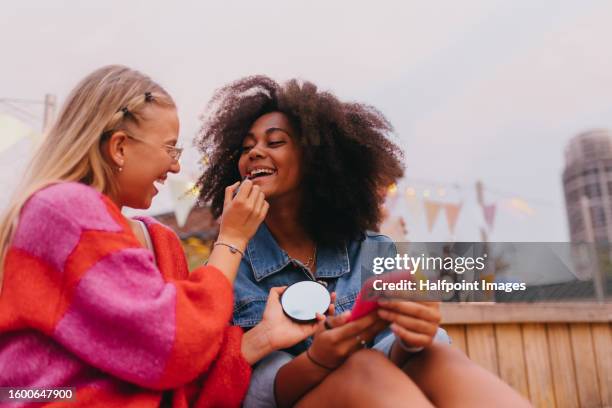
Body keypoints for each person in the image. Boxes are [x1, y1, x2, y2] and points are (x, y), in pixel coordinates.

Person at [196, 76, 531, 407]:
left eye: (274, 142)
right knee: (363, 365)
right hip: (288, 399)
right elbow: (258, 393)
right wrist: (319, 360)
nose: (254, 152)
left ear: (316, 158)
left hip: (380, 388)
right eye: (245, 147)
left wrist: (413, 337)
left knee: (434, 355)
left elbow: (396, 352)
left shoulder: (373, 251)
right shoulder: (230, 264)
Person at [0, 66, 320, 408]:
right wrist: (232, 239)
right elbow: (174, 345)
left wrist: (265, 337)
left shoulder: (161, 241)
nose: (177, 167)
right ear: (120, 147)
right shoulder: (62, 209)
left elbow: (181, 379)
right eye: (171, 149)